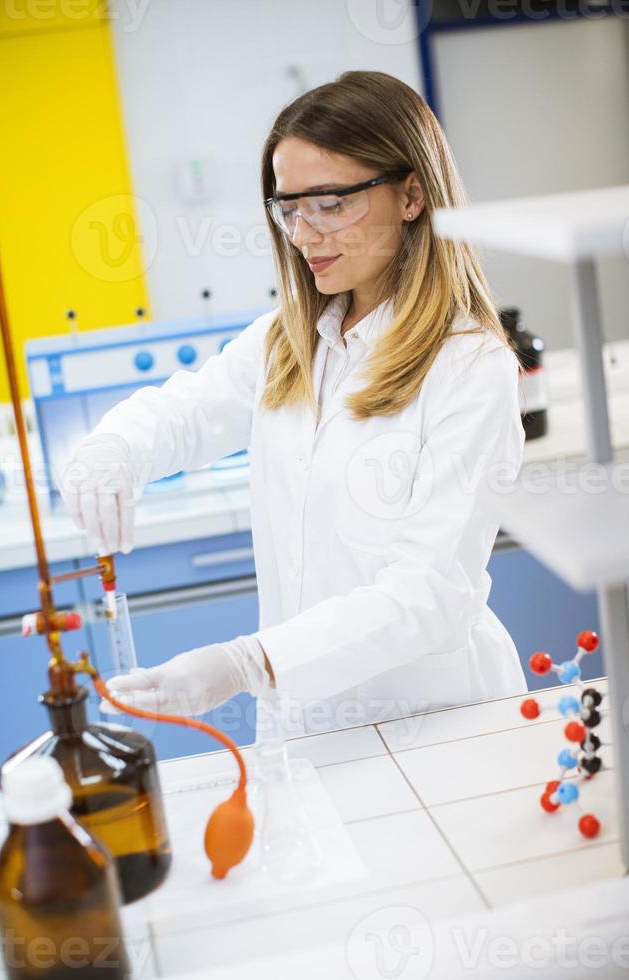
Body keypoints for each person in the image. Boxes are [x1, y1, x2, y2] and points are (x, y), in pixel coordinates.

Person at [59, 70, 528, 739]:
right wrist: (112, 450)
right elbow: (184, 413)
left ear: (412, 195)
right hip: (306, 726)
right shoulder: (289, 340)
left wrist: (248, 662)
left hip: (433, 724)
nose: (303, 233)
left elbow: (429, 593)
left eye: (331, 203)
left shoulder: (470, 367)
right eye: (289, 207)